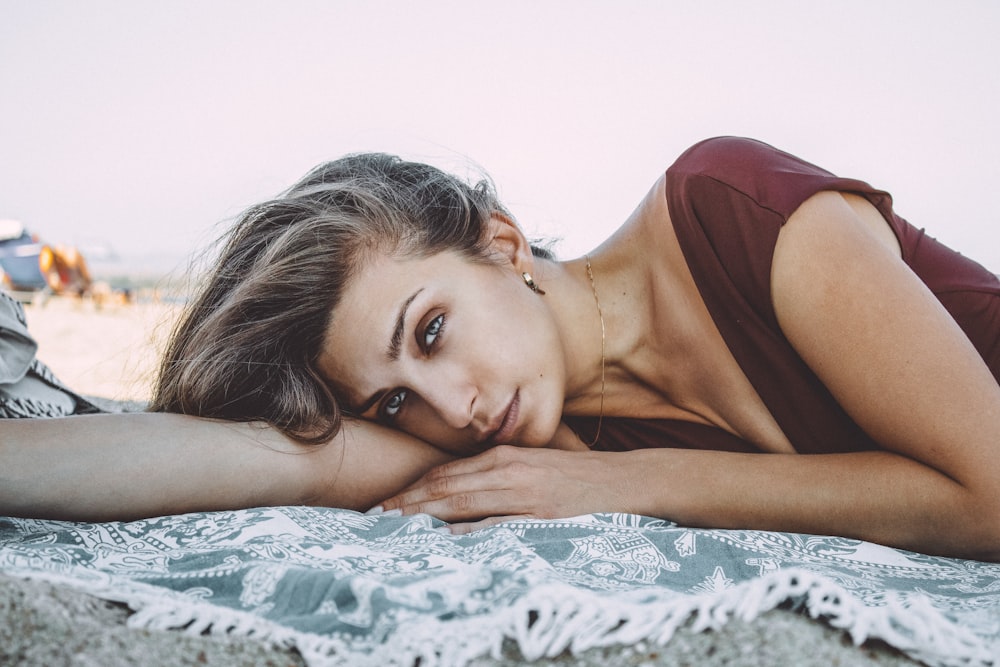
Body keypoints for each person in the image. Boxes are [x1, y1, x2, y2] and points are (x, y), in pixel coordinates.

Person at [3, 137, 999, 561]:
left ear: (504, 243)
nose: (451, 408)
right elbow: (277, 458)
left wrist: (632, 483)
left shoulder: (734, 206)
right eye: (395, 401)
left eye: (429, 330)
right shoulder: (519, 437)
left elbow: (987, 493)